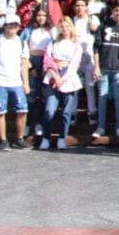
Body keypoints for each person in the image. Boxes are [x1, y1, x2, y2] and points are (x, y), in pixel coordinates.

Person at [0, 13, 31, 151]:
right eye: (11, 25)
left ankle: (19, 138)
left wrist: (26, 83)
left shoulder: (22, 43)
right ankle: (3, 140)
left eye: (16, 25)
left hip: (16, 82)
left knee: (22, 110)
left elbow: (24, 64)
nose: (13, 27)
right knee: (0, 112)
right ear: (5, 26)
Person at [40, 17, 83, 150]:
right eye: (62, 26)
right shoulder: (53, 43)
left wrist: (63, 79)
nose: (64, 29)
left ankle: (62, 137)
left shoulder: (76, 44)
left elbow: (75, 64)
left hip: (68, 76)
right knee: (49, 110)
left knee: (66, 112)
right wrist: (55, 76)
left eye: (67, 26)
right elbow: (47, 60)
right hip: (53, 74)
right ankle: (46, 137)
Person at [93, 0, 119, 139]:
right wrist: (96, 66)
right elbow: (96, 47)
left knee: (118, 98)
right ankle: (101, 126)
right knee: (102, 98)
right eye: (116, 10)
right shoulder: (103, 26)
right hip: (103, 67)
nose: (118, 13)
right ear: (111, 12)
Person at [23, 3, 55, 138]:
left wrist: (47, 66)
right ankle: (27, 124)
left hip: (46, 61)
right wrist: (30, 67)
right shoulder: (29, 30)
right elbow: (22, 47)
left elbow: (54, 47)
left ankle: (39, 123)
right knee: (30, 95)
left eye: (43, 15)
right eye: (39, 15)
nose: (41, 18)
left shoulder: (51, 30)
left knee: (43, 95)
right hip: (31, 59)